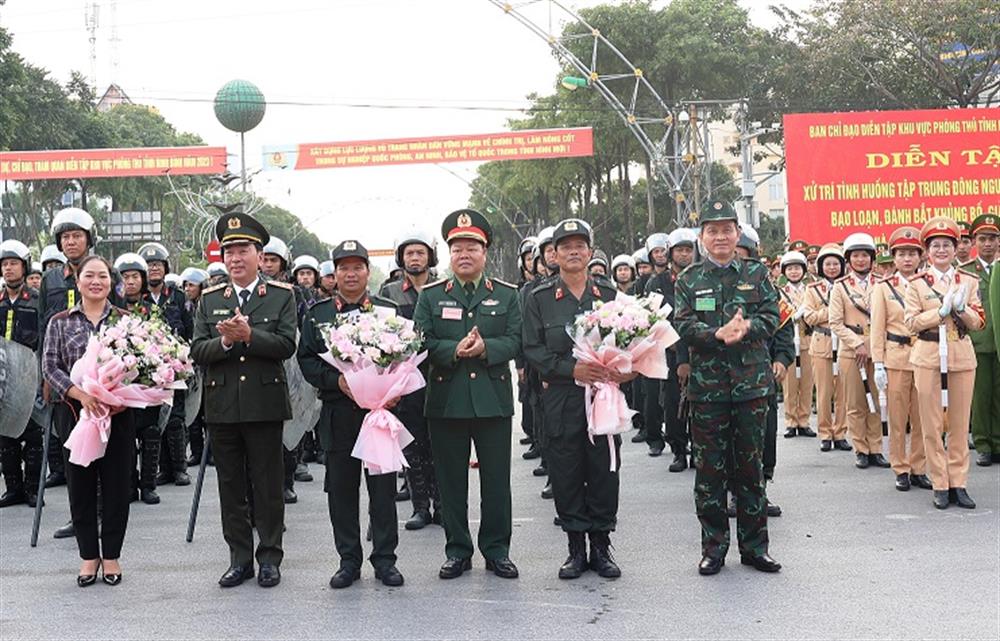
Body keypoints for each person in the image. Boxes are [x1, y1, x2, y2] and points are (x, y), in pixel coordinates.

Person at [413, 209, 522, 580]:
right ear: (448, 254)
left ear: (485, 252)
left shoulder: (506, 295)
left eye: (472, 247)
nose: (464, 254)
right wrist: (453, 350)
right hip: (446, 400)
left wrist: (486, 348)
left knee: (496, 480)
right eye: (457, 247)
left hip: (492, 399)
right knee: (450, 481)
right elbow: (420, 342)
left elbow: (516, 339)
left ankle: (497, 550)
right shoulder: (430, 296)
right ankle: (457, 550)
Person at [674, 200, 781, 576]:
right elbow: (682, 326)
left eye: (727, 229)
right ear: (702, 238)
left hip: (751, 388)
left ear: (737, 234)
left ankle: (755, 548)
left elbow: (773, 316)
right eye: (712, 230)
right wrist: (715, 335)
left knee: (750, 470)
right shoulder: (688, 280)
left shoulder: (757, 273)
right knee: (710, 473)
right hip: (708, 391)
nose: (720, 237)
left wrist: (747, 327)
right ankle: (714, 548)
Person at [191, 212, 297, 588]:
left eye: (243, 250)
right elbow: (197, 350)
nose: (235, 258)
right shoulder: (210, 298)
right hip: (222, 407)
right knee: (231, 486)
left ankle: (269, 557)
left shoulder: (282, 296)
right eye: (229, 252)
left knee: (268, 485)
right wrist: (225, 341)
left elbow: (286, 345)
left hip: (264, 404)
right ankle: (239, 559)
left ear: (259, 254)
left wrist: (250, 335)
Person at [522, 218, 626, 579]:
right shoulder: (538, 298)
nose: (573, 252)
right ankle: (575, 549)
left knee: (604, 469)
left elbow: (630, 341)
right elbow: (532, 349)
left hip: (603, 396)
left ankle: (601, 546)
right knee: (565, 470)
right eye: (565, 247)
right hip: (562, 397)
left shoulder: (609, 296)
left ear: (590, 251)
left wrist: (625, 368)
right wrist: (571, 370)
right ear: (554, 254)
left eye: (579, 245)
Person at [297, 240, 405, 588]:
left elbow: (406, 356)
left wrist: (392, 391)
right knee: (342, 491)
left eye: (358, 267)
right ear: (334, 274)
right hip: (339, 413)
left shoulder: (388, 312)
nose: (351, 273)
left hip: (377, 415)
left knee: (383, 490)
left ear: (367, 271)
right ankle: (348, 560)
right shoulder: (318, 314)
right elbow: (307, 359)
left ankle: (385, 559)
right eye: (344, 268)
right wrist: (337, 380)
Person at [42, 255, 135, 586]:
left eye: (103, 277)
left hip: (117, 416)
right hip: (76, 415)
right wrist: (81, 395)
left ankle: (111, 555)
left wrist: (119, 398)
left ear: (111, 282)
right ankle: (88, 557)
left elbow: (140, 368)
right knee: (80, 488)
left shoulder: (126, 321)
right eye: (89, 276)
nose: (96, 282)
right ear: (78, 281)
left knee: (117, 487)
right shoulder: (60, 322)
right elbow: (50, 366)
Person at [38, 207, 120, 539]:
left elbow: (121, 324)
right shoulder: (50, 279)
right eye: (65, 237)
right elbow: (46, 325)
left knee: (103, 448)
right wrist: (46, 377)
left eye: (77, 236)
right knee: (73, 452)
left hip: (104, 382)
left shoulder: (103, 272)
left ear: (89, 239)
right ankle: (80, 516)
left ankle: (103, 512)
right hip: (66, 384)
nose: (71, 242)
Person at [904, 217, 985, 509]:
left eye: (947, 245)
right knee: (931, 423)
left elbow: (978, 322)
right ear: (927, 251)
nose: (941, 250)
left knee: (960, 424)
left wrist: (961, 311)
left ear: (955, 249)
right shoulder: (916, 284)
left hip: (961, 355)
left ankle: (958, 483)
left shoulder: (969, 281)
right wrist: (939, 311)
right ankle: (939, 482)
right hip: (927, 356)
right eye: (935, 245)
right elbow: (911, 322)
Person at [379, 228, 442, 531]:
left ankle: (443, 504)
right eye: (409, 253)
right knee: (411, 444)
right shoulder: (388, 292)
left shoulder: (446, 287)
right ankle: (420, 506)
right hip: (404, 382)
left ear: (431, 256)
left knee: (441, 443)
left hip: (441, 376)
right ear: (400, 258)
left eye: (420, 252)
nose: (415, 258)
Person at [870, 227, 930, 492]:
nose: (907, 259)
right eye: (902, 254)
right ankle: (900, 467)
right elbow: (877, 328)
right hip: (896, 356)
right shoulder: (883, 288)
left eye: (912, 254)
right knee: (897, 417)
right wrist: (878, 362)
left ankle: (918, 467)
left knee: (922, 416)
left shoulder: (929, 285)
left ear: (921, 256)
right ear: (893, 258)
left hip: (924, 356)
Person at [829, 233, 888, 470]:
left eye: (865, 255)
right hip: (852, 351)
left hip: (879, 349)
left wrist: (874, 345)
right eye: (856, 256)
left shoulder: (882, 284)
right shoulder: (840, 287)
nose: (861, 260)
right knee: (855, 402)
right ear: (849, 259)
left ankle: (876, 448)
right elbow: (835, 322)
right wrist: (857, 344)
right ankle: (861, 448)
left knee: (877, 399)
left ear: (872, 258)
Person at [137, 242, 193, 488]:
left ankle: (179, 469)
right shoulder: (139, 298)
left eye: (157, 265)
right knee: (155, 418)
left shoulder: (178, 297)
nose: (153, 270)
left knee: (176, 416)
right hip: (148, 366)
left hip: (175, 363)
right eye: (149, 266)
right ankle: (162, 469)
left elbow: (189, 327)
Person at [113, 252, 162, 504]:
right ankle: (129, 484)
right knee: (125, 435)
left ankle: (149, 485)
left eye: (134, 276)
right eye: (124, 277)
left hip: (148, 380)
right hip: (120, 382)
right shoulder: (111, 310)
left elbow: (163, 342)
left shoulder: (153, 310)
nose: (130, 282)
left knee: (150, 432)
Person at [0, 240, 44, 508]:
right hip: (3, 374)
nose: (8, 269)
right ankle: (13, 487)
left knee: (33, 433)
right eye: (4, 264)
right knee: (5, 434)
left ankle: (32, 489)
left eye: (13, 263)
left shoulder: (37, 300)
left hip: (29, 374)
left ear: (24, 266)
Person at [802, 244, 851, 452]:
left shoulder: (848, 287)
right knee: (823, 392)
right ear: (821, 266)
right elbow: (809, 316)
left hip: (844, 343)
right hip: (822, 342)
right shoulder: (812, 290)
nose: (832, 268)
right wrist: (831, 312)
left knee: (843, 392)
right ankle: (825, 432)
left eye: (836, 264)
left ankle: (840, 432)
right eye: (828, 264)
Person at [961, 214, 999, 466]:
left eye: (993, 238)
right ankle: (984, 443)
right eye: (982, 239)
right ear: (975, 241)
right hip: (981, 343)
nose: (988, 244)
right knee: (982, 395)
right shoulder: (965, 273)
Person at [778, 251, 816, 438]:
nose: (794, 272)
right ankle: (791, 420)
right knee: (790, 384)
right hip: (789, 341)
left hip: (808, 340)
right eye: (790, 269)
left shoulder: (811, 289)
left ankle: (804, 420)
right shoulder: (779, 290)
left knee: (807, 382)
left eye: (797, 268)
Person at [640, 232, 670, 457]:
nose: (660, 255)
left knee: (673, 394)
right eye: (656, 252)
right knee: (652, 393)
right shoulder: (650, 281)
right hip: (655, 342)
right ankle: (654, 438)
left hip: (677, 342)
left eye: (663, 251)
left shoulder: (679, 277)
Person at [179, 267, 210, 467]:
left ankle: (211, 452)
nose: (188, 289)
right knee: (193, 411)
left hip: (207, 361)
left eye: (192, 285)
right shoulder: (183, 306)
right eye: (186, 285)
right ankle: (197, 452)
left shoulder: (208, 305)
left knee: (208, 409)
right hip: (189, 363)